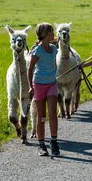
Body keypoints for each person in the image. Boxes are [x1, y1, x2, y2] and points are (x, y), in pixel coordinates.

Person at [28, 23, 60, 156]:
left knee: (53, 112)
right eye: (52, 32)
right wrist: (31, 87)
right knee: (41, 117)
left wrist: (54, 75)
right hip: (39, 85)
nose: (54, 34)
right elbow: (30, 70)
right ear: (46, 34)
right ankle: (41, 145)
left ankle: (54, 142)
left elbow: (54, 66)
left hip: (52, 83)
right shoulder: (37, 51)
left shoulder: (54, 49)